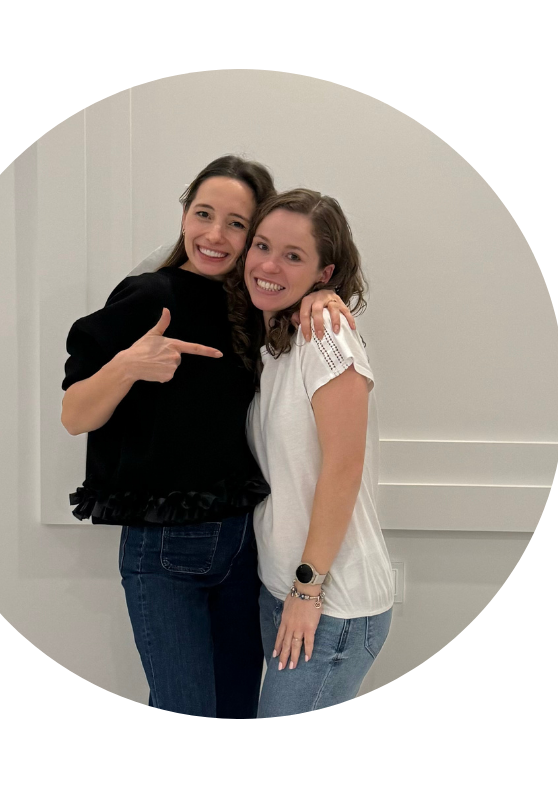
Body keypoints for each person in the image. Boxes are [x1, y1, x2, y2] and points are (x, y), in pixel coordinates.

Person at [60, 156, 355, 718]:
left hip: (244, 545)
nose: (215, 235)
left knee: (237, 706)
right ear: (184, 215)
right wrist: (127, 365)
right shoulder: (149, 295)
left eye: (237, 224)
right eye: (203, 214)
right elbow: (75, 416)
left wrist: (321, 298)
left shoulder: (260, 302)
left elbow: (306, 291)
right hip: (163, 549)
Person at [226, 188, 394, 717]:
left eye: (293, 256)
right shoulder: (278, 341)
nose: (267, 265)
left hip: (329, 602)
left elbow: (343, 469)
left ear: (326, 273)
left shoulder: (327, 336)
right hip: (285, 591)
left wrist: (307, 592)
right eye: (261, 245)